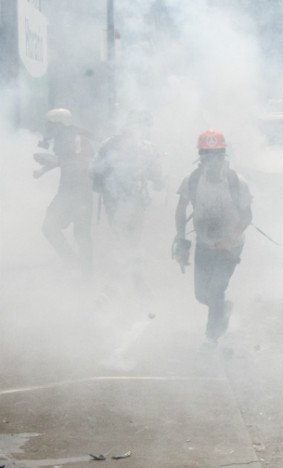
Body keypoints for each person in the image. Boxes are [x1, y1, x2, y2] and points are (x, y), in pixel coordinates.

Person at [173, 129, 253, 348]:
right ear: (200, 156)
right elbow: (181, 208)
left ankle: (211, 336)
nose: (212, 159)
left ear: (224, 155)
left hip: (230, 247)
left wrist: (229, 239)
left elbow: (247, 216)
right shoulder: (192, 180)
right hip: (204, 244)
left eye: (217, 153)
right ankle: (223, 310)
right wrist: (181, 240)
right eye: (207, 154)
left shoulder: (237, 182)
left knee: (216, 289)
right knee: (201, 294)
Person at [90, 110, 164, 289]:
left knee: (121, 237)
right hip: (132, 200)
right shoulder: (145, 147)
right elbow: (157, 178)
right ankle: (133, 278)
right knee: (132, 239)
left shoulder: (107, 144)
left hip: (114, 201)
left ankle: (124, 277)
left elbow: (94, 173)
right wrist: (158, 182)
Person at [33, 108, 95, 270]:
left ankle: (81, 270)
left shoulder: (77, 138)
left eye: (51, 126)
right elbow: (65, 159)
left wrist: (53, 160)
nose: (48, 130)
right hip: (71, 190)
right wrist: (43, 169)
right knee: (67, 230)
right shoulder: (64, 138)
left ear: (60, 125)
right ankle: (79, 268)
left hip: (79, 192)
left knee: (75, 233)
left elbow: (80, 162)